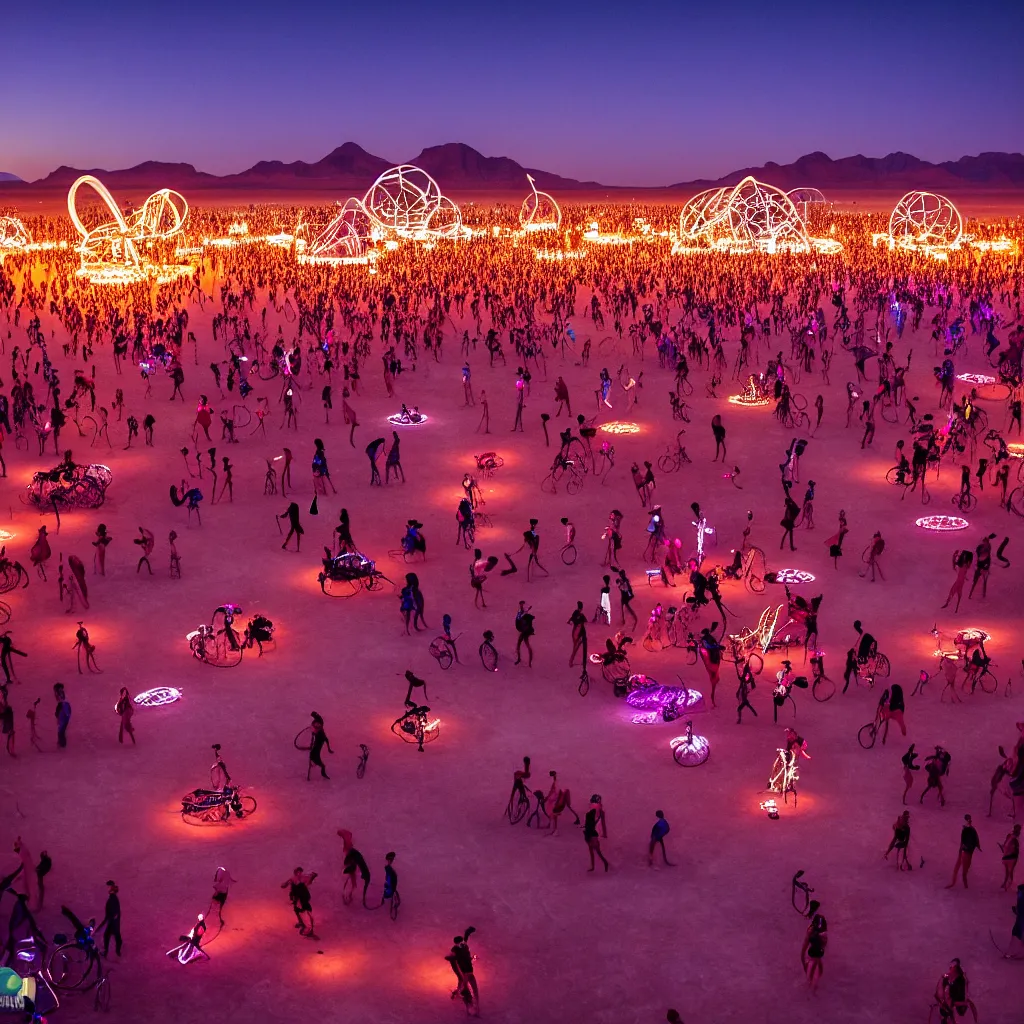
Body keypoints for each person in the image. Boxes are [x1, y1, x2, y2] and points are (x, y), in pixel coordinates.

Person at [946, 814, 981, 889]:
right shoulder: (966, 830)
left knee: (964, 872)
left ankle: (965, 887)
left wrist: (967, 847)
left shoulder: (971, 830)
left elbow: (974, 842)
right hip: (963, 852)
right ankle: (955, 884)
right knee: (958, 868)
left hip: (967, 853)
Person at [338, 829, 371, 906]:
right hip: (351, 868)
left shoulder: (351, 853)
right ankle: (348, 895)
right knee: (352, 883)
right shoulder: (351, 853)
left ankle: (348, 895)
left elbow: (348, 863)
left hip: (352, 868)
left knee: (352, 883)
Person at [281, 867, 317, 937]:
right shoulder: (293, 879)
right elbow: (284, 885)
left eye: (300, 872)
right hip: (297, 897)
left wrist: (313, 877)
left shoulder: (304, 878)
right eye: (298, 872)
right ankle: (302, 923)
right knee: (297, 910)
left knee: (305, 911)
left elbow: (309, 881)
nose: (299, 873)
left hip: (302, 898)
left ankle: (309, 928)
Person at [450, 928, 479, 1015]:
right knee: (466, 988)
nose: (462, 944)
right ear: (456, 944)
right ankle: (469, 1007)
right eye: (460, 943)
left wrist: (467, 932)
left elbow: (465, 941)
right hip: (465, 971)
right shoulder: (456, 950)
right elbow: (456, 960)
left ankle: (459, 992)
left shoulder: (463, 946)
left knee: (469, 987)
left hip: (468, 970)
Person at [800, 901, 827, 992]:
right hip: (817, 947)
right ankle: (812, 984)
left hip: (815, 945)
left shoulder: (813, 929)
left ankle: (811, 983)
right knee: (816, 964)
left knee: (813, 964)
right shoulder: (818, 926)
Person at [584, 794, 609, 872]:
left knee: (595, 850)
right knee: (593, 850)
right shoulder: (599, 810)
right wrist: (604, 833)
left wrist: (604, 833)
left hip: (589, 831)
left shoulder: (594, 809)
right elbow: (602, 823)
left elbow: (591, 821)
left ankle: (603, 863)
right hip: (590, 831)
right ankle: (594, 866)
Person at [99, 880, 122, 957]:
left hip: (113, 922)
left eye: (108, 887)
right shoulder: (114, 898)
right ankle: (114, 951)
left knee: (113, 936)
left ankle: (116, 952)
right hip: (113, 921)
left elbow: (113, 912)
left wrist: (105, 921)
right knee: (111, 936)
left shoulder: (112, 899)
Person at [307, 715, 333, 780]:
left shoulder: (320, 733)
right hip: (314, 753)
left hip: (314, 752)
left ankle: (314, 764)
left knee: (321, 764)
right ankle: (322, 772)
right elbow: (325, 739)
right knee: (322, 765)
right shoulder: (320, 733)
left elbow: (320, 721)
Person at [999, 823, 1020, 891]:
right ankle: (1007, 884)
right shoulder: (1014, 838)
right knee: (1009, 871)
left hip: (1009, 856)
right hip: (1011, 856)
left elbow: (1005, 844)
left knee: (1008, 871)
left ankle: (1007, 884)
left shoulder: (1011, 836)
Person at [514, 600, 535, 667]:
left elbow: (519, 618)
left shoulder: (522, 616)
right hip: (526, 631)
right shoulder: (525, 614)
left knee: (519, 645)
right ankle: (529, 663)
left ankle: (520, 659)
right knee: (526, 646)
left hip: (524, 632)